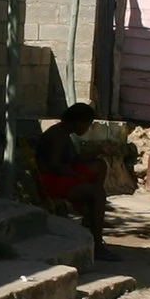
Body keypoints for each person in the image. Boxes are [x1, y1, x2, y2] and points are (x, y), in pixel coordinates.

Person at [35, 101, 115, 260]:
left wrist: (95, 153)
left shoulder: (64, 133)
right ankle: (97, 242)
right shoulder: (57, 135)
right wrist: (77, 176)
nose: (87, 129)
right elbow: (54, 165)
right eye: (87, 124)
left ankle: (89, 214)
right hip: (51, 180)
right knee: (98, 194)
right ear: (78, 122)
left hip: (62, 175)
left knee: (100, 165)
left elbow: (72, 160)